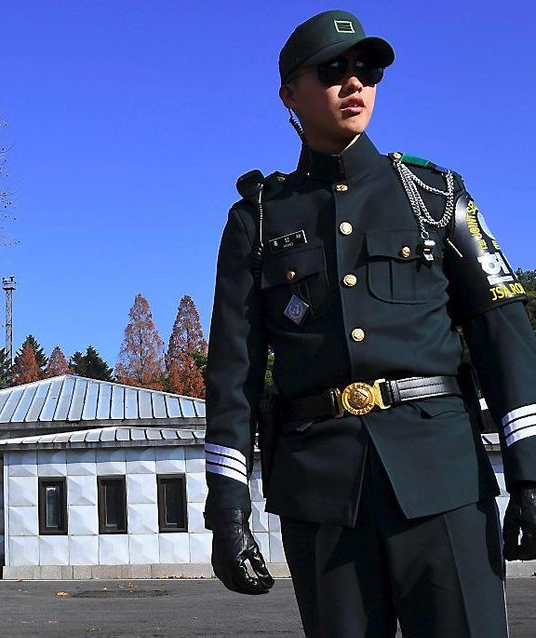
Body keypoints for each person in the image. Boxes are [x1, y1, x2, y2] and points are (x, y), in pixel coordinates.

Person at [202, 9, 536, 637]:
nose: (355, 83)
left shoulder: (437, 198)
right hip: (323, 493)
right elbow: (232, 373)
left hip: (441, 477)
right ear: (289, 96)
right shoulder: (259, 220)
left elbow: (504, 333)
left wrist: (531, 471)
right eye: (333, 70)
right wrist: (228, 506)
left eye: (368, 69)